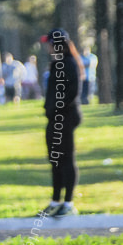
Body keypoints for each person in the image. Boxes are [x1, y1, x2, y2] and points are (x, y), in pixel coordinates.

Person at [40, 28, 82, 217]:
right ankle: (55, 200)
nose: (47, 47)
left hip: (64, 118)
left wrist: (56, 108)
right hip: (54, 118)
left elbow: (71, 92)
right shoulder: (56, 63)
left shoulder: (69, 64)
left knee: (66, 159)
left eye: (49, 43)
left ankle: (68, 202)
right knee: (55, 159)